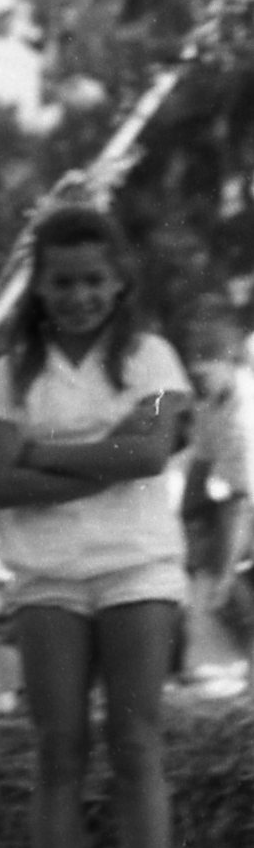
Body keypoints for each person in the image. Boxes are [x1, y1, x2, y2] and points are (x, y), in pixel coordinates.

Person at [0, 199, 193, 848]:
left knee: (136, 744)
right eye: (62, 282)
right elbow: (1, 479)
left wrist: (48, 453)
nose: (78, 296)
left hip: (136, 564)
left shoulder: (153, 357)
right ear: (38, 285)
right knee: (56, 750)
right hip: (46, 575)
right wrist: (105, 450)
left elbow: (150, 455)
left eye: (93, 281)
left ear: (118, 281)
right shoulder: (7, 373)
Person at [182, 290, 250, 696]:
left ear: (228, 361)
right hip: (232, 505)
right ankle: (216, 666)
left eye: (205, 368)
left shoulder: (245, 412)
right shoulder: (211, 402)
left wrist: (224, 573)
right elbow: (200, 463)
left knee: (230, 589)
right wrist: (187, 518)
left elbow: (241, 502)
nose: (197, 376)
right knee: (207, 564)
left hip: (245, 508)